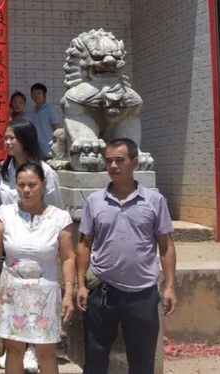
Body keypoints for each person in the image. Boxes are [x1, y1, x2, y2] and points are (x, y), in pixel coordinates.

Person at [77, 138, 177, 374]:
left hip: (142, 295)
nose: (113, 166)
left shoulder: (154, 201)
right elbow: (84, 244)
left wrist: (170, 287)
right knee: (95, 357)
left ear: (134, 162)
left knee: (142, 362)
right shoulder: (94, 201)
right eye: (109, 161)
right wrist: (80, 285)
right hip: (103, 292)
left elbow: (166, 246)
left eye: (119, 160)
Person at [0, 163, 76, 374]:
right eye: (21, 185)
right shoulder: (5, 213)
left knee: (46, 352)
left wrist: (69, 293)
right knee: (14, 350)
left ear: (43, 185)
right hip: (12, 292)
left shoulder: (60, 218)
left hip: (46, 293)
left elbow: (68, 257)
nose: (26, 190)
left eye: (32, 185)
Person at [0, 118, 63, 214]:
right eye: (6, 138)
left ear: (25, 139)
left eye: (12, 138)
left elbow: (54, 208)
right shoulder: (1, 171)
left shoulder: (45, 172)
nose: (7, 142)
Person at [25, 84, 62, 158]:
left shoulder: (50, 110)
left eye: (39, 93)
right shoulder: (31, 113)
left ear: (45, 95)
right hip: (38, 154)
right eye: (33, 93)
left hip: (51, 152)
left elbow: (58, 130)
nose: (36, 95)